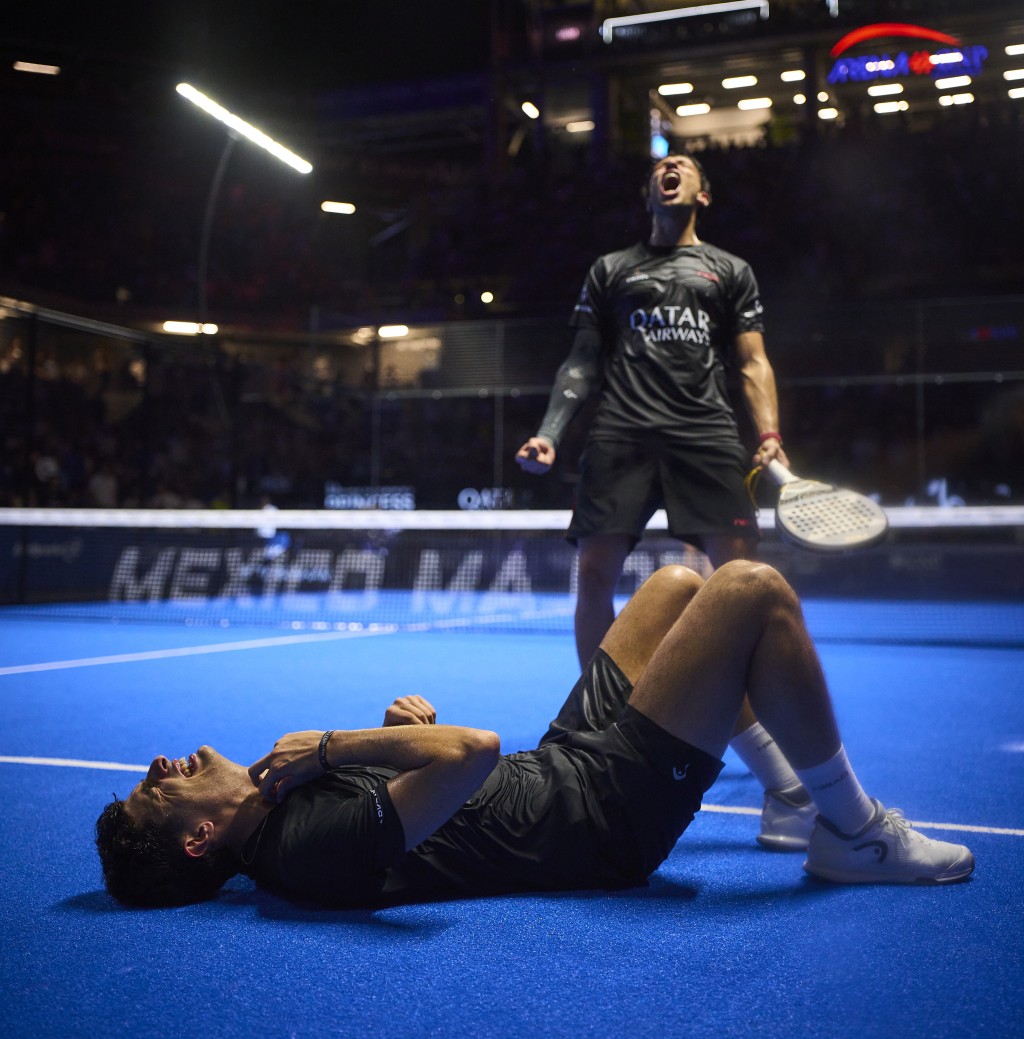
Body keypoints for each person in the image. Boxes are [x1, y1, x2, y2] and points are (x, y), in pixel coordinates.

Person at [95, 562, 974, 909]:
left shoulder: (284, 807)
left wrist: (405, 737)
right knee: (750, 589)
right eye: (156, 789)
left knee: (673, 583)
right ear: (202, 836)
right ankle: (851, 831)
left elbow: (445, 787)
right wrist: (334, 743)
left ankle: (788, 797)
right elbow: (475, 752)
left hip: (561, 765)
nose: (162, 764)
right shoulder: (301, 847)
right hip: (601, 817)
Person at [516, 152, 789, 669]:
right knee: (594, 573)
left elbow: (753, 361)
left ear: (702, 195)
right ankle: (597, 719)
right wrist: (550, 432)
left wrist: (769, 430)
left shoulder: (731, 271)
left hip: (705, 432)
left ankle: (738, 711)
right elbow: (581, 361)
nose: (673, 168)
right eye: (662, 169)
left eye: (685, 167)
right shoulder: (610, 269)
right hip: (622, 432)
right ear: (649, 196)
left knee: (742, 578)